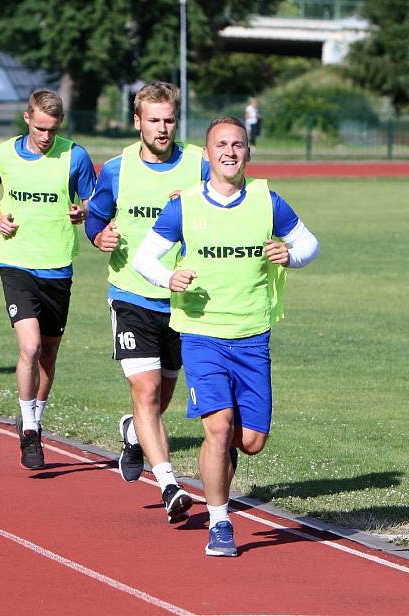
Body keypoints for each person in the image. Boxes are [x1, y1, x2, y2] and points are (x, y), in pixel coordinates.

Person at [133, 116, 319, 556]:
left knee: (249, 442)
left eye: (238, 145)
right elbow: (146, 257)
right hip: (201, 335)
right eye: (221, 144)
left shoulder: (267, 201)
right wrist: (168, 278)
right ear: (208, 152)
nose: (230, 152)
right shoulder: (186, 205)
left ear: (248, 153)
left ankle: (217, 462)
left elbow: (311, 244)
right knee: (218, 429)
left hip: (253, 336)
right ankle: (220, 523)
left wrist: (290, 255)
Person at [85, 82, 208, 524]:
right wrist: (100, 235)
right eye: (153, 120)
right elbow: (97, 216)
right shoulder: (117, 169)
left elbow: (228, 205)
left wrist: (195, 204)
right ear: (137, 121)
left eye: (169, 119)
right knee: (148, 389)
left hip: (183, 298)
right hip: (131, 294)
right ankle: (169, 484)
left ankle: (135, 432)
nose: (162, 128)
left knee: (163, 395)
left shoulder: (200, 164)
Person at [0, 89, 95, 470]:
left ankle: (33, 414)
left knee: (48, 353)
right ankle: (30, 430)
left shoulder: (74, 156)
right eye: (40, 127)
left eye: (53, 129)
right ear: (27, 118)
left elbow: (93, 201)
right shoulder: (4, 153)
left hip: (58, 264)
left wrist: (83, 212)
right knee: (28, 347)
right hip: (14, 262)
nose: (46, 136)